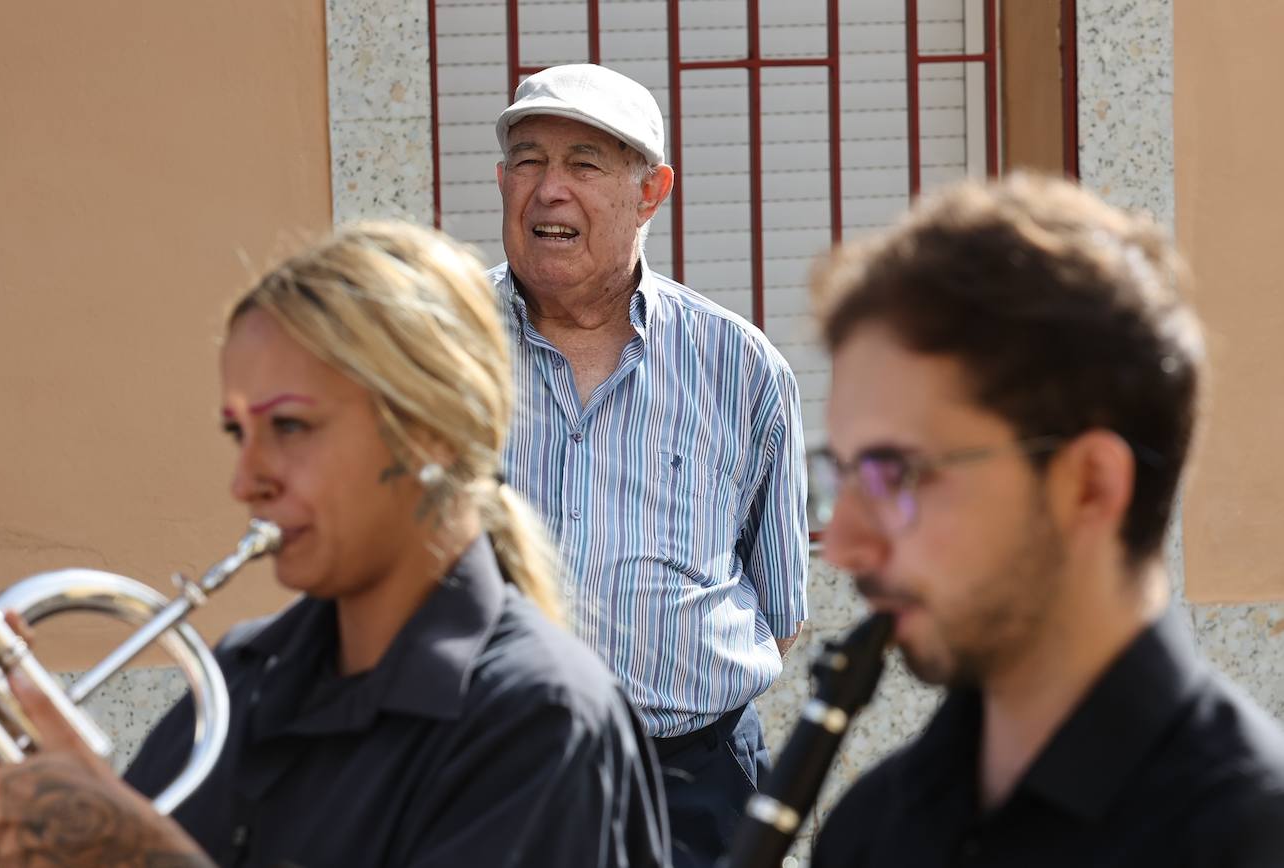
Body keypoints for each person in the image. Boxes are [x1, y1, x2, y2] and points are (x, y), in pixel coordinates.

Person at [0, 221, 670, 867]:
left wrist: (136, 850)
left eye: (291, 428)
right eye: (240, 434)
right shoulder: (243, 679)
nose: (247, 481)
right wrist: (2, 830)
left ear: (431, 429)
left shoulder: (539, 718)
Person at [808, 175, 1284, 867]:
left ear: (1090, 485)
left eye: (898, 473)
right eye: (843, 474)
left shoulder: (1250, 837)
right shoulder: (870, 829)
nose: (846, 545)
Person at [490, 62, 810, 867]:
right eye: (529, 161)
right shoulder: (434, 347)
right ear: (501, 182)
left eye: (584, 164)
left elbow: (782, 608)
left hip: (692, 785)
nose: (549, 190)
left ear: (651, 191)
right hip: (482, 774)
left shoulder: (739, 367)